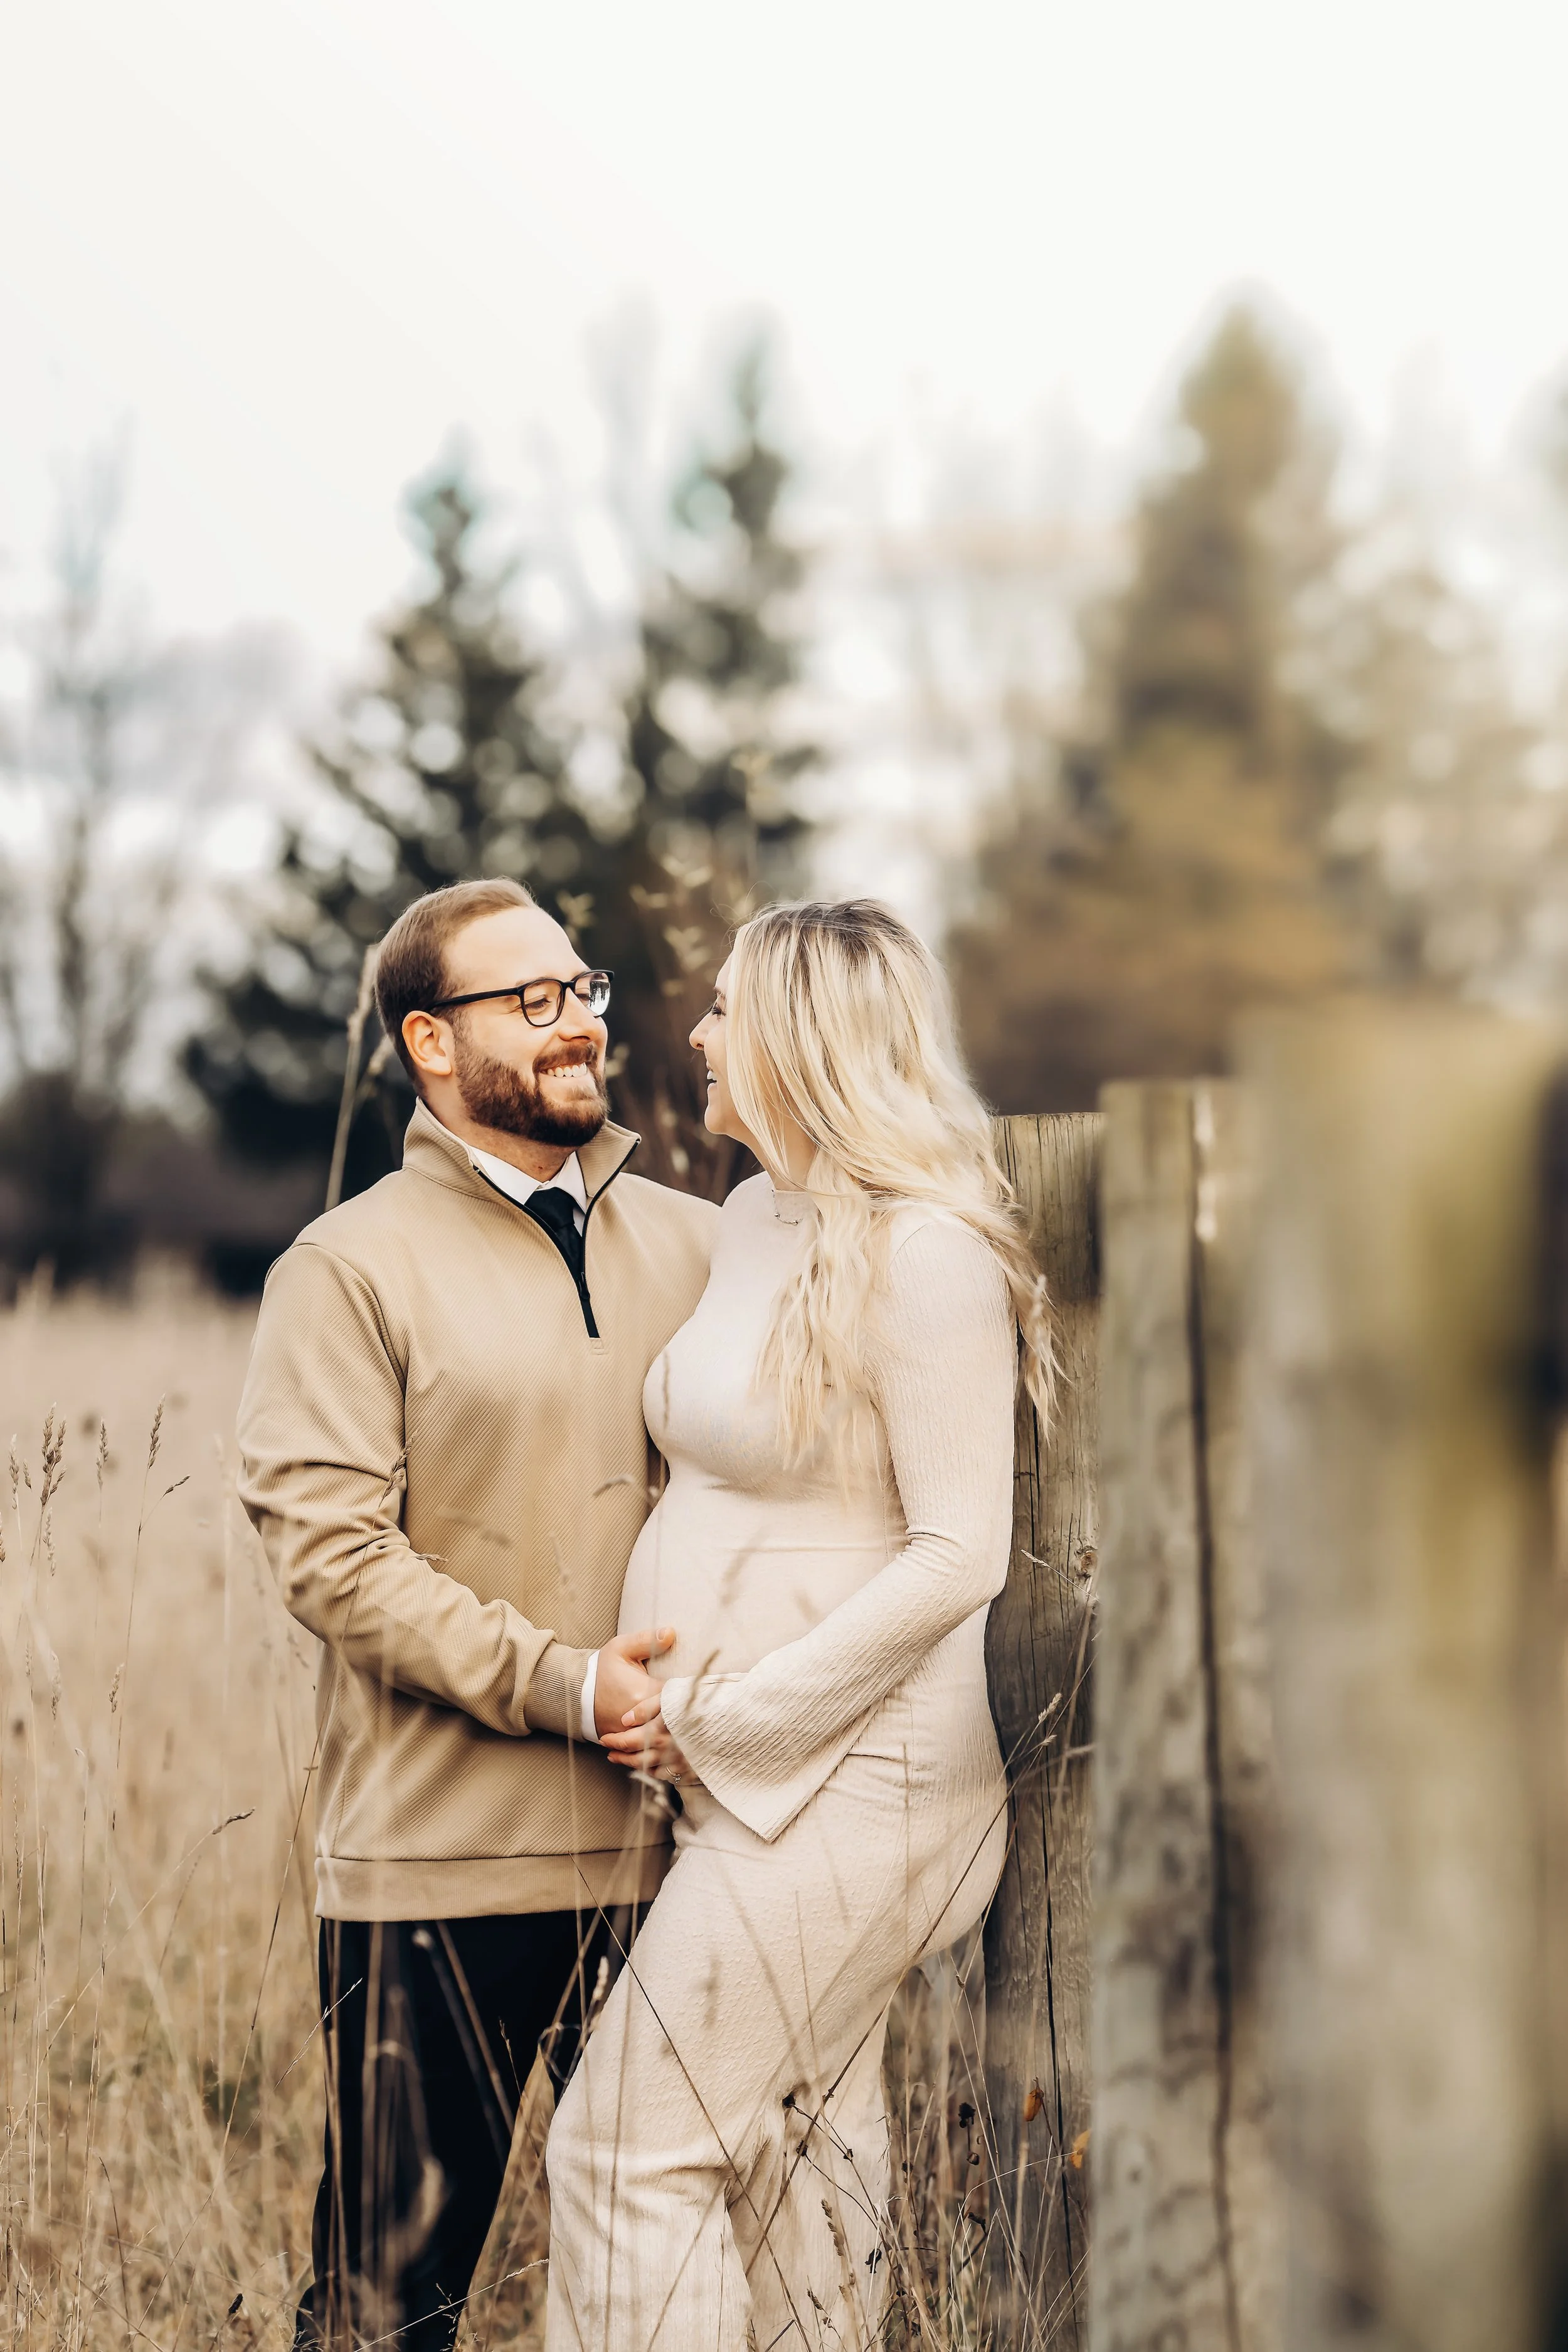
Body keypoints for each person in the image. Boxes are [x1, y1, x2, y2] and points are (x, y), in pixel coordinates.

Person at [543, 898, 1055, 2351]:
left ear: (800, 1037)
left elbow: (959, 1555)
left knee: (622, 2153)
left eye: (724, 1011)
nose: (694, 1035)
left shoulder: (924, 1254)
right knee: (798, 2161)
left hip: (853, 1792)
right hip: (739, 1785)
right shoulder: (759, 1221)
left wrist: (739, 1716)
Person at [236, 877, 719, 2352]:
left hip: (677, 1865)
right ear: (430, 1044)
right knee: (390, 2301)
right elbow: (333, 1559)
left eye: (581, 992)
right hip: (429, 1886)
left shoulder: (706, 1247)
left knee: (667, 2276)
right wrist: (564, 1685)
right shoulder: (346, 1268)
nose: (578, 1022)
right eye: (532, 1000)